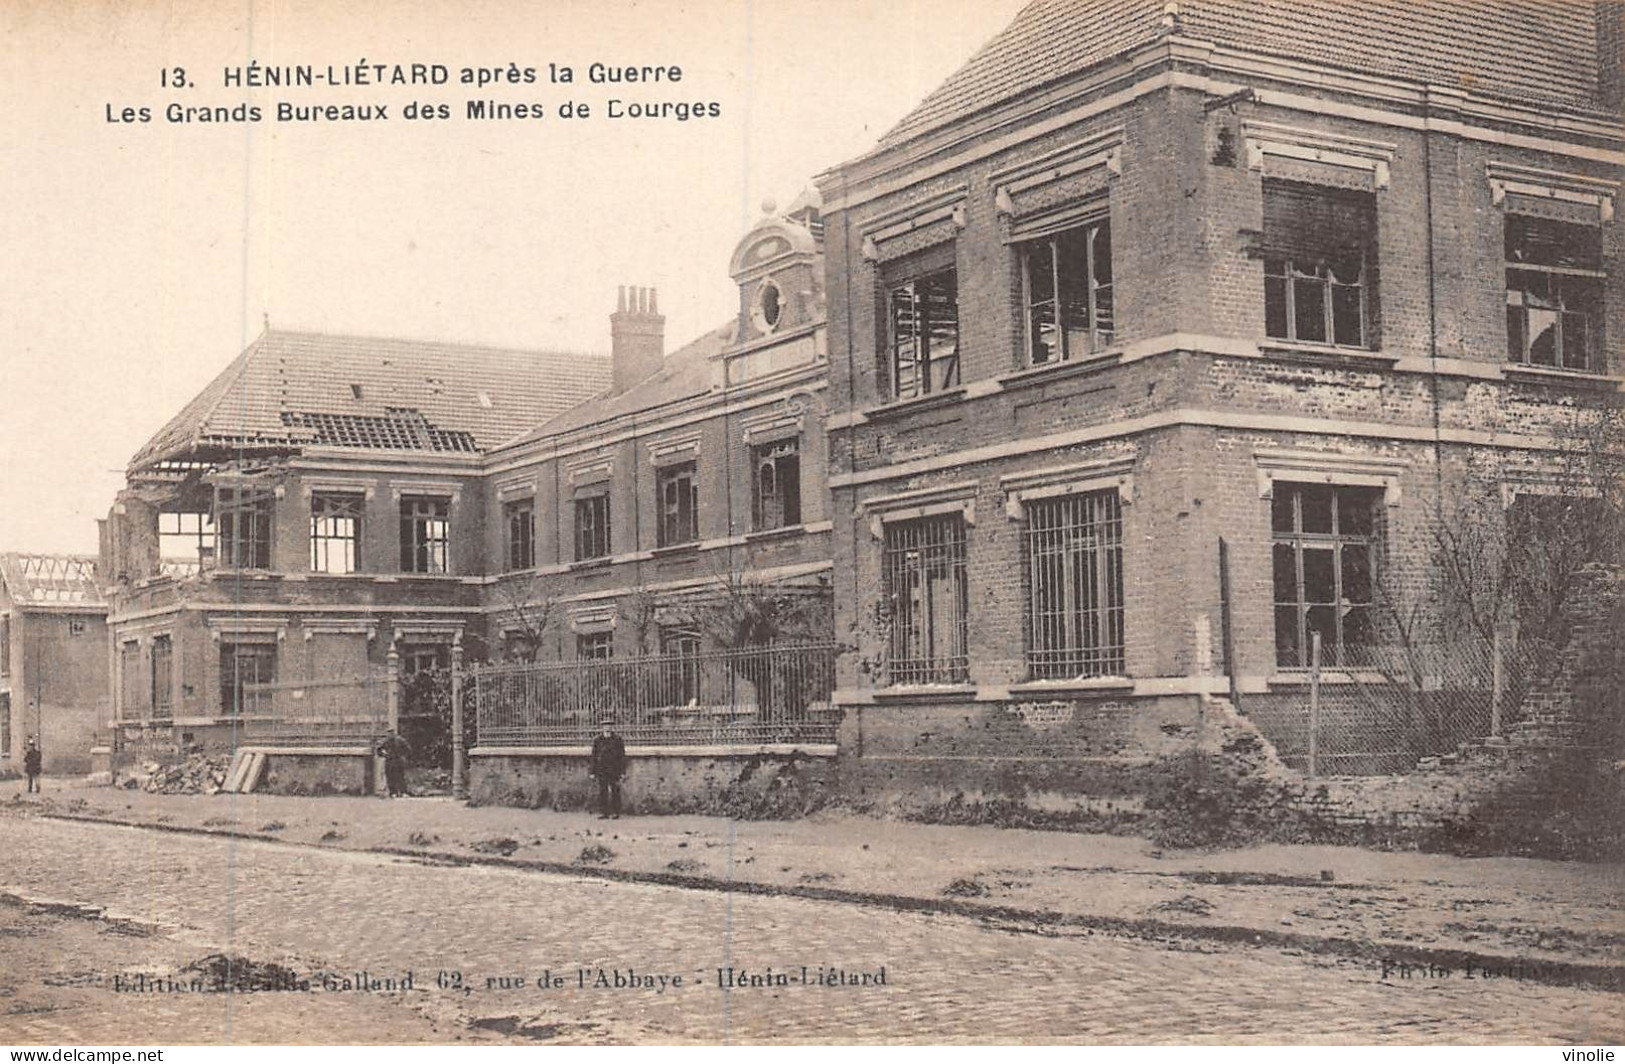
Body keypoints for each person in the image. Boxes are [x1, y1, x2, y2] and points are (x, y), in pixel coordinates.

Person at [590, 717, 626, 819]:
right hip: (602, 769)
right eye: (605, 726)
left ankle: (616, 812)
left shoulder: (618, 740)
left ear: (612, 727)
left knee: (615, 790)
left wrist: (622, 771)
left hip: (614, 769)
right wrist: (592, 771)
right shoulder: (597, 740)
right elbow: (594, 756)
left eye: (609, 725)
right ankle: (604, 812)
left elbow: (622, 756)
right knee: (603, 791)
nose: (607, 727)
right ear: (602, 727)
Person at [376, 730, 410, 798]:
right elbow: (379, 750)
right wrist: (384, 754)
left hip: (397, 760)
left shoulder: (400, 740)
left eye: (391, 733)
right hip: (391, 761)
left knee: (399, 777)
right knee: (391, 777)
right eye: (389, 734)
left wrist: (403, 755)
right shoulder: (386, 741)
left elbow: (408, 749)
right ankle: (394, 792)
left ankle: (402, 792)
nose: (390, 735)